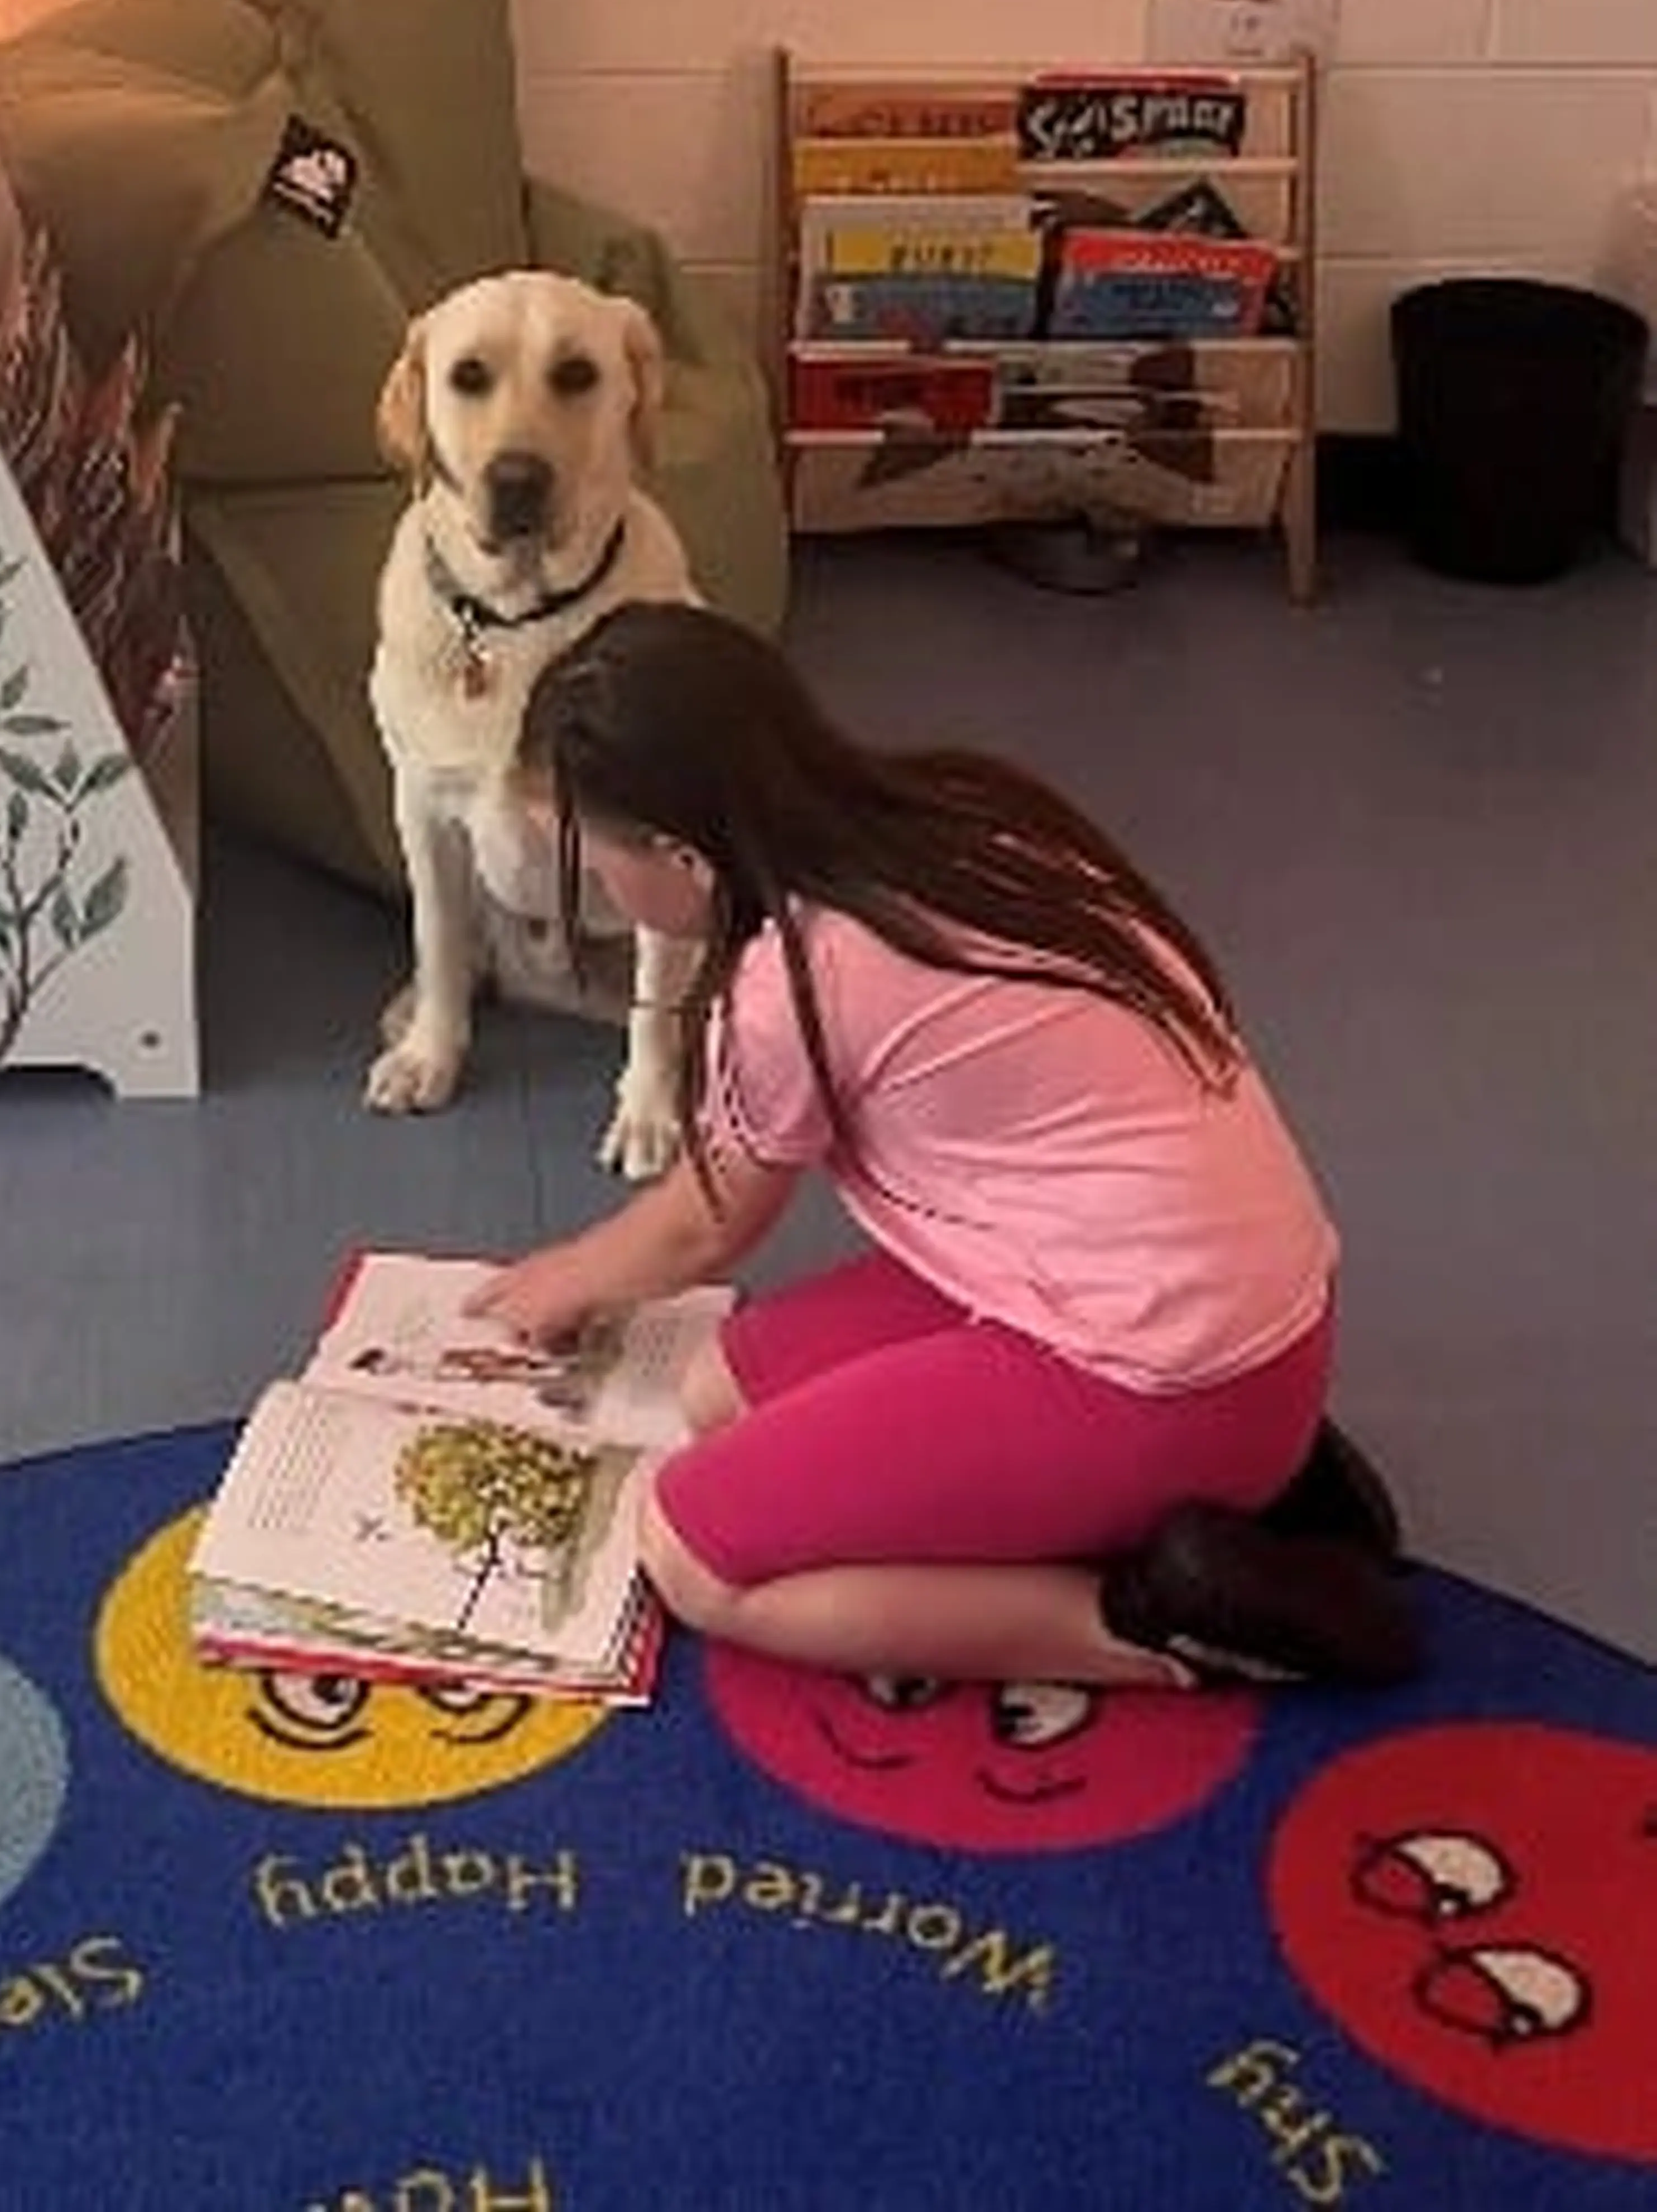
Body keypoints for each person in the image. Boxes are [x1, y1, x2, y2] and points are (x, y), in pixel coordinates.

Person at [464, 602, 1421, 1690]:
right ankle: (1250, 1490)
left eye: (597, 873)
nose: (601, 901)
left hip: (1169, 1375)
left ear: (684, 857)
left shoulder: (798, 979)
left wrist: (564, 1280)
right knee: (717, 1388)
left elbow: (705, 1222)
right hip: (1251, 1325)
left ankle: (1168, 1620)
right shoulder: (958, 810)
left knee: (691, 1548)